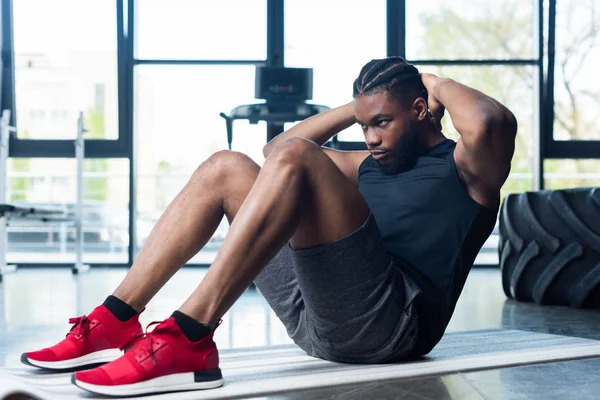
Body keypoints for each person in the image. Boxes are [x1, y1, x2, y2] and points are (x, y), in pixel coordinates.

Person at [21, 57, 517, 396]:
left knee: (300, 157)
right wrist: (366, 104)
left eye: (381, 123)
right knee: (227, 166)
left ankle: (189, 335)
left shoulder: (468, 167)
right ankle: (115, 318)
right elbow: (275, 154)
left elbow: (492, 121)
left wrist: (431, 81)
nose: (370, 138)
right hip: (320, 319)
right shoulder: (366, 162)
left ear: (418, 109)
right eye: (364, 126)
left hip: (392, 327)